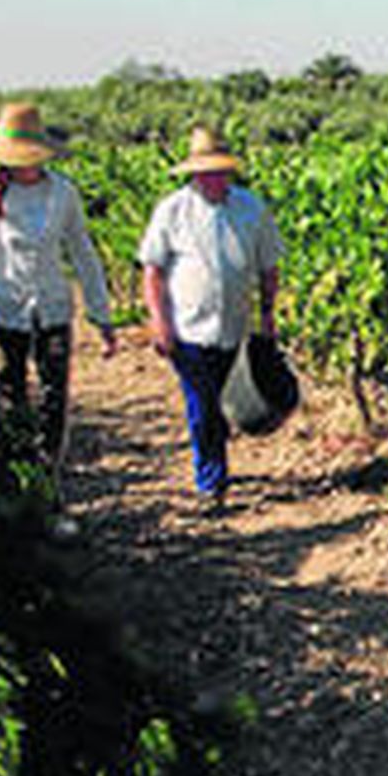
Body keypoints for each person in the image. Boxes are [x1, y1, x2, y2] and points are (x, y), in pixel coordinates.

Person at [0, 101, 118, 498]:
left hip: (52, 307)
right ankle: (21, 479)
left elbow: (83, 253)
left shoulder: (63, 194)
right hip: (4, 308)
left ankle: (48, 477)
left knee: (55, 397)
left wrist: (101, 314)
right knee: (11, 393)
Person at [139, 127, 283, 506]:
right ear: (194, 173)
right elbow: (152, 270)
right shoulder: (172, 211)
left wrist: (268, 315)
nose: (213, 178)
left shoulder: (252, 208)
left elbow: (269, 266)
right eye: (205, 171)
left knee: (223, 406)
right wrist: (159, 321)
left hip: (234, 330)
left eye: (219, 171)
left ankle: (215, 461)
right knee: (201, 406)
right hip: (188, 330)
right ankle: (211, 483)